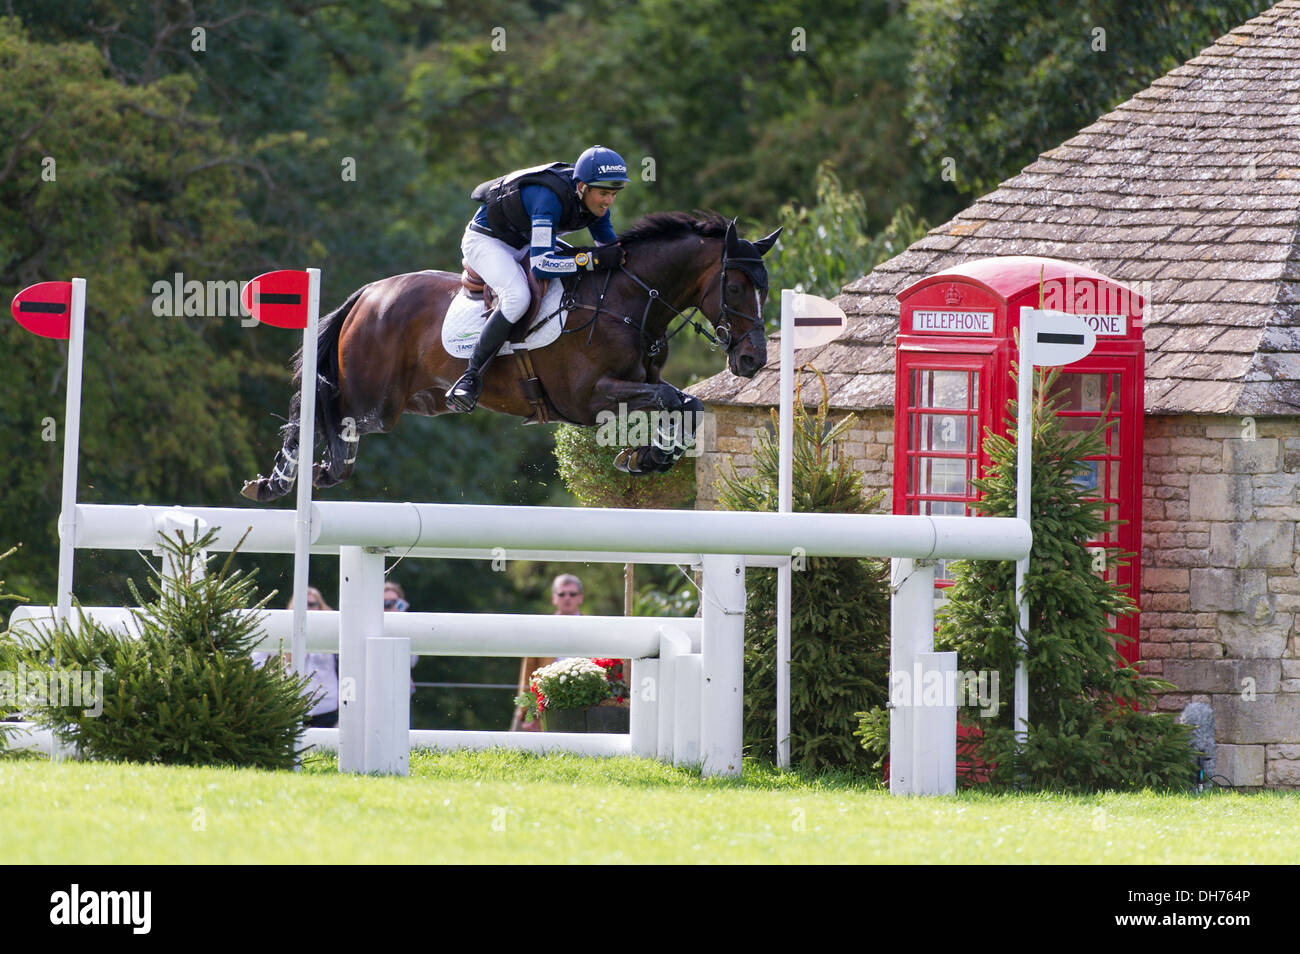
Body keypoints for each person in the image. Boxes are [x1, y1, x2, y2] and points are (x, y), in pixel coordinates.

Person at [446, 145, 632, 413]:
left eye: (614, 194)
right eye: (604, 193)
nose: (609, 201)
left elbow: (609, 249)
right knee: (517, 297)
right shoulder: (549, 198)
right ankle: (470, 377)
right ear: (581, 187)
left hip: (526, 239)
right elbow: (543, 265)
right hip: (488, 241)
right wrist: (592, 260)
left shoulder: (595, 203)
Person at [253, 586, 339, 729]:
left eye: (313, 604)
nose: (308, 609)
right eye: (303, 604)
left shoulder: (331, 631)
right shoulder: (285, 631)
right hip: (293, 707)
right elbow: (257, 658)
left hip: (327, 710)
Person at [511, 573, 585, 732]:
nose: (567, 598)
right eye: (562, 594)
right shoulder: (541, 629)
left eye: (572, 594)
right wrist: (527, 712)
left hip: (585, 700)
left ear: (580, 598)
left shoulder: (593, 627)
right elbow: (528, 673)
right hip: (545, 704)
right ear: (554, 598)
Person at [383, 580, 419, 701]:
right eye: (385, 603)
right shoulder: (368, 625)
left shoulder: (408, 626)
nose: (389, 606)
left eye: (393, 602)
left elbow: (412, 661)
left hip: (400, 690)